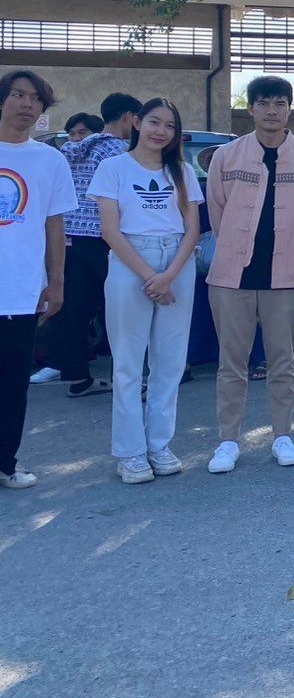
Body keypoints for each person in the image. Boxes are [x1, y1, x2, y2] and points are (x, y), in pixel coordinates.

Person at [204, 76, 294, 474]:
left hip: (286, 274)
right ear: (250, 108)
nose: (272, 110)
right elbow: (217, 213)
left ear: (290, 108)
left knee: (282, 361)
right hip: (231, 275)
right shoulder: (226, 155)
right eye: (264, 103)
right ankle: (227, 440)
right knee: (231, 362)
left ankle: (282, 435)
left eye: (279, 103)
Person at [89, 98, 202, 483]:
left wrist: (169, 275)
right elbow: (109, 230)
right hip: (129, 261)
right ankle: (131, 452)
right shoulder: (113, 167)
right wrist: (149, 276)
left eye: (170, 126)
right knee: (127, 362)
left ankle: (159, 444)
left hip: (177, 263)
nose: (161, 131)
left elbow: (192, 229)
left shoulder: (182, 170)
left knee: (169, 362)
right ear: (137, 122)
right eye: (154, 122)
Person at [37, 92, 140, 396]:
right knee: (120, 309)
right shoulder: (119, 152)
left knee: (75, 310)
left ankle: (77, 376)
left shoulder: (69, 150)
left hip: (71, 236)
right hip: (107, 237)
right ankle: (126, 380)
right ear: (128, 118)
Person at [0, 71, 75, 489]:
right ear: (2, 101)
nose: (27, 105)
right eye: (18, 95)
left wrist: (56, 282)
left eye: (35, 99)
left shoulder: (50, 159)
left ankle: (6, 463)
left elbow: (54, 224)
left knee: (13, 386)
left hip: (21, 291)